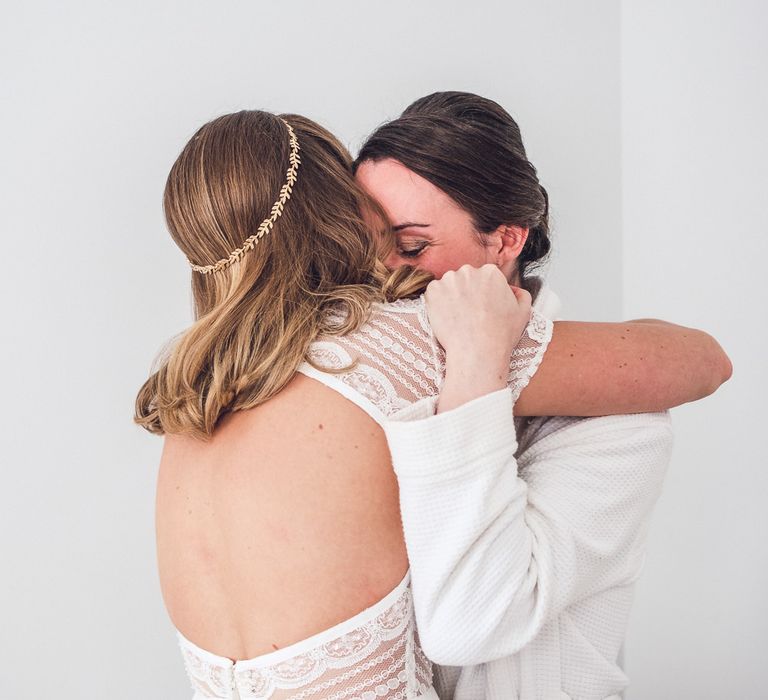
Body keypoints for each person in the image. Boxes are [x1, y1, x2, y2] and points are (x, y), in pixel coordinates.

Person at [134, 110, 730, 700]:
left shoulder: (193, 393)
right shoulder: (387, 345)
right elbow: (692, 359)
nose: (387, 271)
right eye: (379, 238)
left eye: (412, 245)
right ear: (332, 216)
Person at [352, 90, 733, 699]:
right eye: (364, 244)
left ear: (507, 241)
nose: (381, 272)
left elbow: (467, 625)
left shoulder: (620, 426)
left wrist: (478, 359)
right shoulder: (376, 388)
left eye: (414, 245)